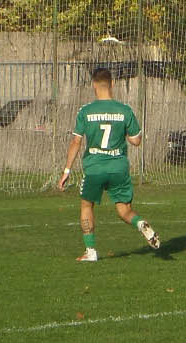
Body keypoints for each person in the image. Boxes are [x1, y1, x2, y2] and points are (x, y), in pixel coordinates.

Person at [59, 68, 161, 261]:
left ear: (93, 85)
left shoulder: (86, 111)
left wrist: (67, 170)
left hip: (95, 168)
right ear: (112, 84)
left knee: (86, 205)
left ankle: (90, 251)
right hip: (118, 168)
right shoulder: (125, 110)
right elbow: (136, 141)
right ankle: (140, 223)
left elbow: (76, 142)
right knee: (124, 210)